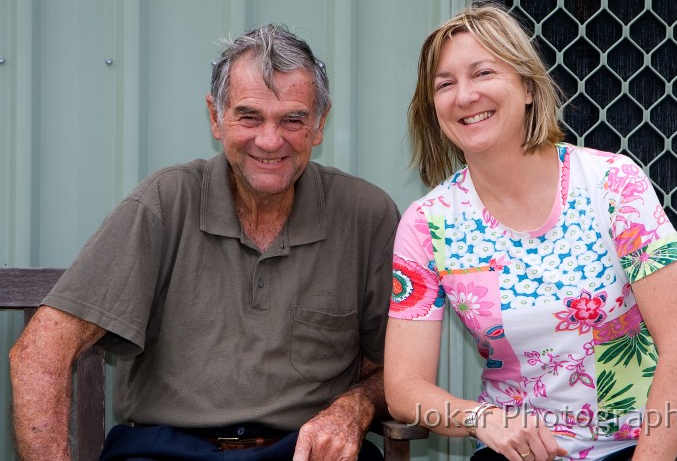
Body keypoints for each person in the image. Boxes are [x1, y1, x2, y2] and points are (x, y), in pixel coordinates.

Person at [10, 24, 400, 461]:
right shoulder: (164, 201)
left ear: (319, 125)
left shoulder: (366, 214)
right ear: (216, 116)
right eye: (249, 116)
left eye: (293, 119)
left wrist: (354, 407)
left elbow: (398, 370)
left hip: (302, 452)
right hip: (163, 450)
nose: (270, 141)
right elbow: (40, 352)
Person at [384, 2, 677, 461]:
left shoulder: (614, 185)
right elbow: (403, 390)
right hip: (518, 454)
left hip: (639, 445)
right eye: (445, 84)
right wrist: (480, 418)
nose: (464, 95)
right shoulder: (427, 224)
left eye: (482, 73)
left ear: (528, 87)